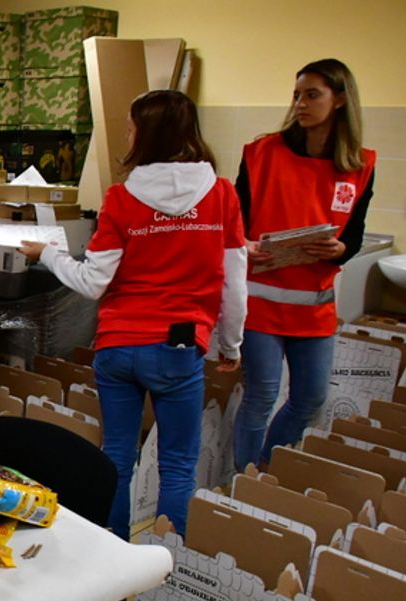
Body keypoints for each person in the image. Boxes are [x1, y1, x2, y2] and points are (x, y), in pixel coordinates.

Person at [20, 90, 247, 539]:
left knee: (117, 459)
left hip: (119, 345)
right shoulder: (222, 195)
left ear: (148, 134)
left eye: (131, 127)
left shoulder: (122, 198)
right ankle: (163, 574)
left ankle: (112, 562)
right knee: (179, 466)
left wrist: (46, 253)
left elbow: (91, 282)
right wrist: (231, 344)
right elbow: (234, 281)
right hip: (179, 346)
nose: (126, 133)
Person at [232, 59, 375, 472]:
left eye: (312, 95)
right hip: (261, 301)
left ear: (341, 99)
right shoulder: (262, 153)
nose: (300, 104)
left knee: (310, 398)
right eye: (296, 95)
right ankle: (246, 481)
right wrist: (244, 244)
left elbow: (356, 234)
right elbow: (235, 225)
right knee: (260, 396)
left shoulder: (359, 164)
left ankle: (264, 465)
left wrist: (339, 249)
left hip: (314, 305)